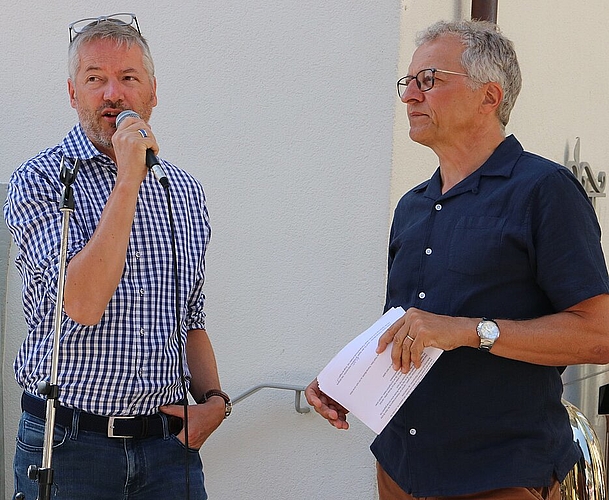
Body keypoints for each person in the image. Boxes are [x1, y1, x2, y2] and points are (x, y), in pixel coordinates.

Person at [305, 19, 609, 500]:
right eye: (409, 82)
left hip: (496, 477)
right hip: (400, 470)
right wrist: (352, 376)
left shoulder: (544, 191)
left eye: (429, 80)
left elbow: (599, 336)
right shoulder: (412, 205)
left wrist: (470, 330)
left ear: (489, 97)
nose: (409, 96)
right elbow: (413, 329)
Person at [4, 14, 231, 500]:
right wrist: (128, 179)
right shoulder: (41, 181)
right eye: (95, 79)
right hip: (68, 445)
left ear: (152, 92)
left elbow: (189, 315)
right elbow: (82, 304)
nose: (113, 94)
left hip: (168, 451)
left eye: (128, 78)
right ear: (72, 93)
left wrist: (214, 401)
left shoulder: (183, 190)